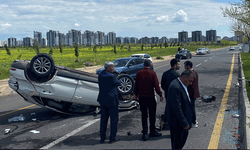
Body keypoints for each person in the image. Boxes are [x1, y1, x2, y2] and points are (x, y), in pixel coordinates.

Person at [134, 59, 164, 141]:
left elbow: (136, 85)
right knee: (152, 115)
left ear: (143, 65)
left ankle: (145, 132)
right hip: (150, 97)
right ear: (150, 65)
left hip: (142, 97)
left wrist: (136, 94)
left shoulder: (139, 73)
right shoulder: (152, 73)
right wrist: (160, 94)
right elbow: (156, 85)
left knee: (144, 115)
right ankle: (152, 131)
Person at [166, 69, 195, 149]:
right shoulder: (176, 87)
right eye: (190, 81)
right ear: (184, 77)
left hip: (180, 123)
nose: (190, 83)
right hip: (178, 124)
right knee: (177, 145)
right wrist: (184, 123)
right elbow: (177, 108)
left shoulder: (180, 84)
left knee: (179, 144)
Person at [97, 61, 121, 144]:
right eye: (112, 67)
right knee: (114, 120)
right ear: (108, 68)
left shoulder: (100, 74)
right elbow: (118, 83)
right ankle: (112, 137)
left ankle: (102, 137)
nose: (113, 68)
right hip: (112, 101)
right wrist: (116, 76)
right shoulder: (111, 76)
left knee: (103, 119)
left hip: (102, 100)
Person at [160, 59, 181, 130]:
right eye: (178, 64)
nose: (179, 66)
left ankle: (167, 122)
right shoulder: (178, 75)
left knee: (168, 107)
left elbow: (162, 84)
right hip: (176, 95)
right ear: (175, 65)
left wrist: (166, 90)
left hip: (167, 94)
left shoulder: (165, 73)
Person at [184, 60, 200, 127]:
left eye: (185, 65)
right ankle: (193, 120)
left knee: (191, 107)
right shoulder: (194, 72)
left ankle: (194, 121)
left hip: (192, 93)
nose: (184, 67)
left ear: (188, 66)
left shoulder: (191, 74)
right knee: (191, 107)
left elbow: (191, 86)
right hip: (194, 93)